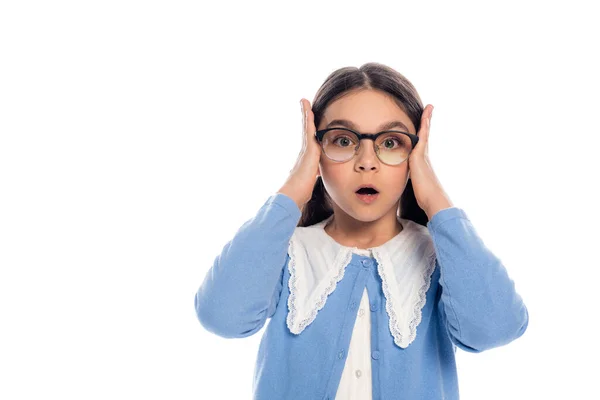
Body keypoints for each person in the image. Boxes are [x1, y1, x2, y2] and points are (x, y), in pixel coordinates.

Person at [193, 62, 529, 400]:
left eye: (390, 143)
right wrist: (295, 187)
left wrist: (436, 201)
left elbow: (495, 328)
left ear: (415, 154)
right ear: (316, 150)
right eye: (343, 140)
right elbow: (221, 316)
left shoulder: (442, 258)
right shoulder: (287, 251)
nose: (366, 162)